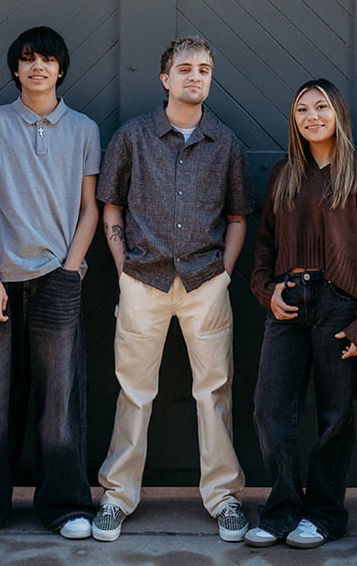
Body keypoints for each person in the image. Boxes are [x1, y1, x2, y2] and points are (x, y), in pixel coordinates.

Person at [90, 36, 256, 543]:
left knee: (214, 392)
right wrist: (122, 266)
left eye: (204, 69)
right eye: (185, 69)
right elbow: (110, 205)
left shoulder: (224, 142)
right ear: (165, 79)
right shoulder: (133, 137)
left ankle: (224, 497)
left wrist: (225, 272)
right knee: (134, 392)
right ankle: (117, 497)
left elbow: (237, 216)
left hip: (206, 284)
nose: (195, 77)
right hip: (143, 280)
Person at [0, 26, 100, 540]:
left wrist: (70, 269)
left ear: (61, 69)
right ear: (16, 69)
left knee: (60, 399)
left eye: (48, 59)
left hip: (57, 279)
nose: (38, 67)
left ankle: (65, 506)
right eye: (28, 59)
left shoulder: (83, 128)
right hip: (2, 281)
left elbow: (90, 208)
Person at [246, 79, 357, 550]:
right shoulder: (283, 174)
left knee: (335, 415)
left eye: (321, 107)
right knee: (270, 410)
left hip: (339, 304)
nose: (312, 116)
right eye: (302, 109)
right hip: (288, 303)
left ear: (338, 114)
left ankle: (326, 514)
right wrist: (265, 290)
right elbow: (264, 245)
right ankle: (282, 509)